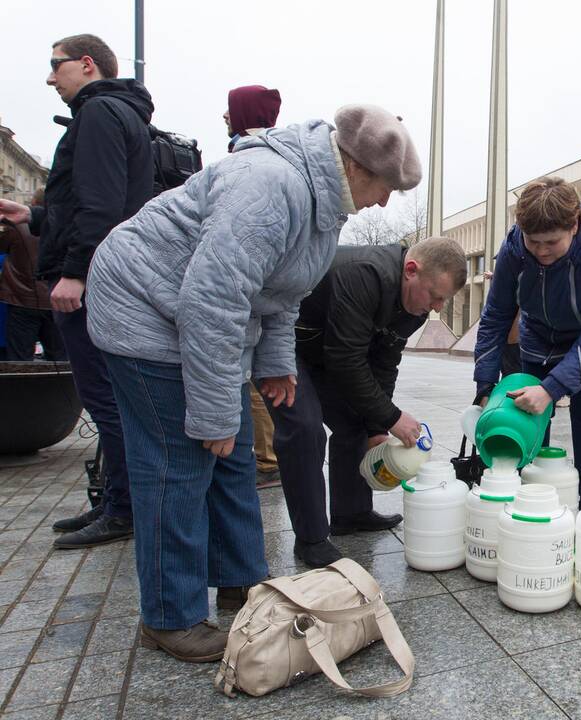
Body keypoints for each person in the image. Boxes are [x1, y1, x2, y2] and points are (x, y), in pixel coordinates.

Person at [85, 104, 421, 662]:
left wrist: (274, 363)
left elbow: (281, 294)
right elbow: (213, 299)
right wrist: (214, 412)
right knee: (179, 461)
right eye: (385, 186)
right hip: (143, 308)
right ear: (356, 166)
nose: (384, 201)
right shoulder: (269, 185)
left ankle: (240, 579)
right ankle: (170, 616)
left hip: (193, 317)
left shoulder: (322, 204)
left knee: (235, 455)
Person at [0, 34, 154, 548]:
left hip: (93, 280)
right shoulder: (118, 112)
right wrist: (37, 216)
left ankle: (123, 508)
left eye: (56, 66)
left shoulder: (99, 113)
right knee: (108, 399)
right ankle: (116, 502)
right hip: (104, 273)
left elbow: (103, 204)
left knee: (106, 401)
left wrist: (77, 271)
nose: (50, 78)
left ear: (86, 65)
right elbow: (92, 200)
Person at [272, 237, 465, 568]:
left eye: (443, 301)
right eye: (435, 296)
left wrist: (377, 426)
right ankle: (311, 538)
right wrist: (391, 417)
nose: (436, 307)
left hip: (329, 350)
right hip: (288, 341)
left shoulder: (414, 306)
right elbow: (347, 360)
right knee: (305, 429)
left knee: (355, 423)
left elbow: (384, 363)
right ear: (411, 270)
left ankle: (351, 513)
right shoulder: (365, 273)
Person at [474, 177, 581, 509]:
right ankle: (528, 492)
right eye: (534, 242)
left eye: (551, 242)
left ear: (574, 226)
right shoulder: (515, 249)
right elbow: (496, 315)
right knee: (525, 409)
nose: (542, 252)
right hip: (540, 332)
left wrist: (551, 389)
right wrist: (485, 383)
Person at [224, 84, 285, 489]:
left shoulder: (252, 158)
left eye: (230, 112)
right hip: (254, 290)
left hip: (252, 292)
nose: (225, 118)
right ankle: (265, 456)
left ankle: (268, 459)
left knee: (256, 384)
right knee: (256, 382)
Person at [0, 191, 66, 361]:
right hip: (58, 299)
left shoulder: (15, 227)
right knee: (60, 358)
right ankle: (59, 388)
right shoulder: (66, 225)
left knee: (19, 359)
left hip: (22, 301)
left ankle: (21, 388)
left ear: (33, 203)